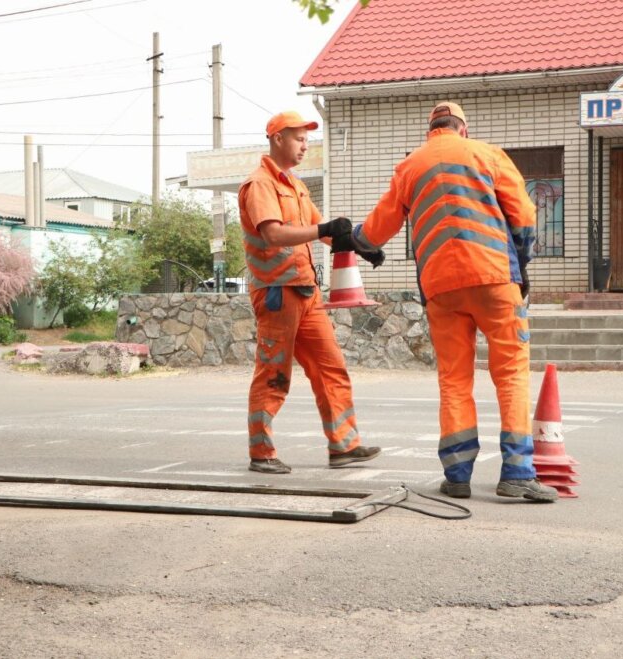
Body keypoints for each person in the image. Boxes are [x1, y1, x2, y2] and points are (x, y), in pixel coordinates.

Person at [345, 101, 558, 502]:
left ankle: (457, 475)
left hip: (441, 287)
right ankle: (516, 473)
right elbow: (525, 214)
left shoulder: (410, 167)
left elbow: (376, 231)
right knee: (510, 373)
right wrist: (522, 262)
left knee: (455, 380)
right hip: (495, 278)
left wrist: (356, 239)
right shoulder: (487, 153)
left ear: (432, 131)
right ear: (463, 128)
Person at [237, 110, 382, 474]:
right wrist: (323, 230)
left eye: (306, 139)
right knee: (274, 374)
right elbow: (274, 234)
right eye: (299, 138)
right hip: (276, 293)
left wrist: (362, 245)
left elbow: (326, 231)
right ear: (277, 139)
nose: (305, 145)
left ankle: (344, 446)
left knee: (331, 368)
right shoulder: (260, 185)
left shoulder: (297, 186)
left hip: (306, 292)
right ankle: (261, 452)